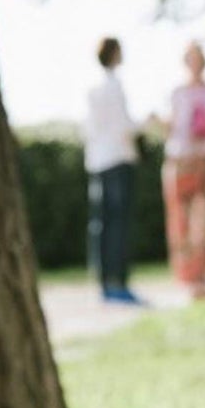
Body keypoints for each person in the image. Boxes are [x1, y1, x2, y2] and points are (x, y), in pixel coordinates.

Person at [161, 42, 205, 302]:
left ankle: (203, 279)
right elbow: (172, 126)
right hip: (182, 162)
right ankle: (187, 280)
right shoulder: (177, 93)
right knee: (183, 223)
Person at [84, 37, 143, 305]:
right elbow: (124, 126)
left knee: (102, 224)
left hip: (98, 162)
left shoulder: (92, 88)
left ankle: (104, 281)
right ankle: (118, 281)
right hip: (117, 160)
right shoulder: (114, 87)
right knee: (118, 224)